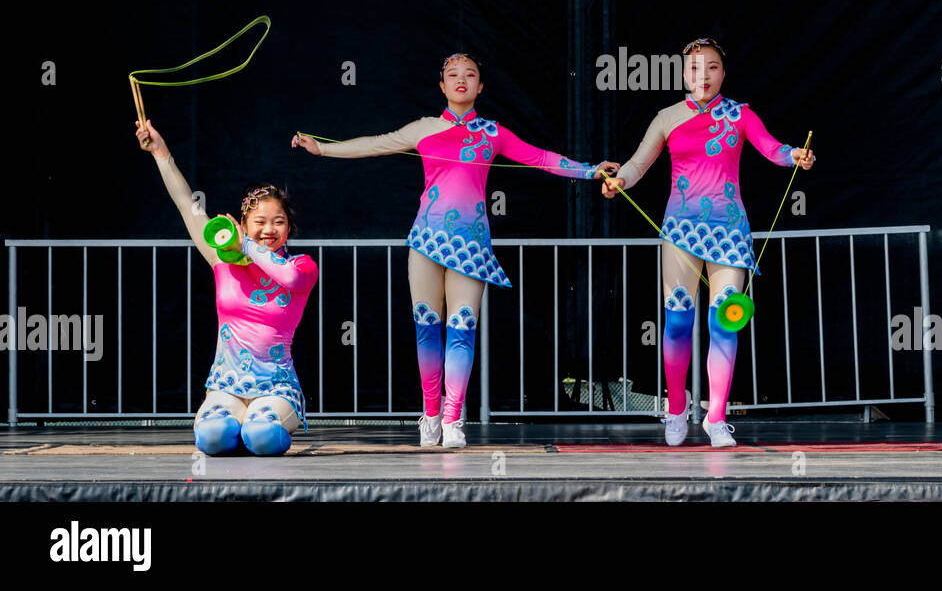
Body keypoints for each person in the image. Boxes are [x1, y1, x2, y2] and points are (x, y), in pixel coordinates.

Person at [293, 53, 617, 448]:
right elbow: (375, 145)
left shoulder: (494, 133)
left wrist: (589, 170)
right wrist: (323, 149)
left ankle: (453, 417)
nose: (461, 80)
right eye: (452, 75)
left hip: (471, 243)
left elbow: (541, 158)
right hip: (426, 241)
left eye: (470, 75)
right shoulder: (424, 128)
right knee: (427, 331)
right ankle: (430, 414)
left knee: (462, 330)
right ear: (442, 86)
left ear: (480, 87)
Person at [601, 38, 814, 447]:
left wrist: (794, 155)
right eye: (695, 68)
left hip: (730, 230)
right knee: (679, 321)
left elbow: (772, 148)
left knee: (725, 320)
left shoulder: (740, 115)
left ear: (722, 74)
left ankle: (716, 416)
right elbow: (638, 163)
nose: (704, 76)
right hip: (680, 230)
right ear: (684, 74)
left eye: (712, 68)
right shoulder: (668, 117)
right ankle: (677, 407)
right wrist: (619, 181)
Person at [136, 119, 318, 456]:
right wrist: (161, 153)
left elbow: (289, 280)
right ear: (243, 224)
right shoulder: (224, 262)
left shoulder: (302, 266)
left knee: (262, 436)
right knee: (214, 437)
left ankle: (253, 430)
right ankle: (239, 428)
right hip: (226, 386)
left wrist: (246, 245)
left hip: (276, 389)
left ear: (289, 227)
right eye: (259, 223)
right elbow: (187, 206)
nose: (269, 230)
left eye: (278, 222)